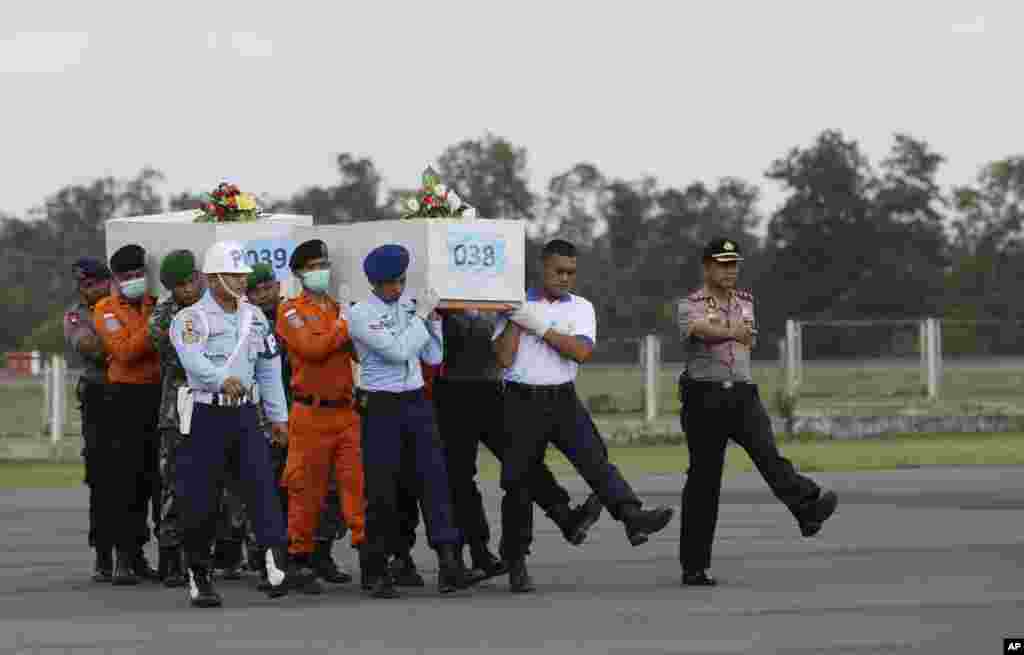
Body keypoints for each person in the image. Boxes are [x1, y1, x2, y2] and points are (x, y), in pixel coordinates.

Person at [493, 238, 674, 592]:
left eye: (571, 272)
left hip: (562, 397)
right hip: (520, 401)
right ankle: (516, 560)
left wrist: (540, 326)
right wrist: (517, 316)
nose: (564, 278)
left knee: (596, 462)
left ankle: (633, 517)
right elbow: (503, 358)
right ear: (542, 267)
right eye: (557, 271)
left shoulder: (581, 308)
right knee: (518, 484)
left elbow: (579, 351)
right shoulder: (513, 306)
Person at [676, 237, 838, 586]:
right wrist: (729, 330)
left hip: (743, 394)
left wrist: (734, 331)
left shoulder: (746, 301)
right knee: (704, 481)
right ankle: (694, 565)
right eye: (722, 264)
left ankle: (806, 509)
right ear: (706, 267)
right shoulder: (690, 304)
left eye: (734, 264)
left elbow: (748, 338)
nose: (730, 270)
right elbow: (697, 330)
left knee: (769, 456)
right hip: (704, 397)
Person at [168, 240, 308, 607]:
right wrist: (219, 378)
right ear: (213, 278)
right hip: (207, 413)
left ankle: (275, 562)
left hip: (246, 413)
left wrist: (279, 417)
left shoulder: (256, 317)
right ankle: (199, 574)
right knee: (202, 499)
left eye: (243, 274)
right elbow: (192, 360)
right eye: (233, 275)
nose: (242, 281)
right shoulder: (190, 319)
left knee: (262, 487)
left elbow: (269, 368)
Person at [433, 308, 604, 582]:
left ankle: (565, 517)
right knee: (459, 478)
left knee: (524, 463)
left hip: (492, 389)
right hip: (452, 391)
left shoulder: (499, 301)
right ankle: (478, 552)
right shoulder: (446, 304)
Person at [347, 244, 469, 598]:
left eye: (400, 281)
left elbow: (433, 355)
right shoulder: (360, 314)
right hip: (381, 404)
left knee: (434, 481)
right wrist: (421, 319)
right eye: (389, 284)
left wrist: (432, 322)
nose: (397, 289)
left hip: (415, 401)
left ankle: (449, 563)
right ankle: (375, 567)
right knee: (382, 490)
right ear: (374, 283)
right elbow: (398, 351)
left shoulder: (411, 306)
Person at [246, 262, 351, 588]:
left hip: (305, 412)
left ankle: (319, 554)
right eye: (256, 290)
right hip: (267, 416)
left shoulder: (292, 313)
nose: (263, 295)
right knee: (276, 490)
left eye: (268, 288)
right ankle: (274, 560)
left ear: (278, 286)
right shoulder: (248, 322)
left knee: (322, 488)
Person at [276, 240, 366, 594]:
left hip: (345, 412)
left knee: (355, 488)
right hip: (309, 412)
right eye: (313, 266)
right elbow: (312, 349)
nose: (321, 272)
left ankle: (369, 558)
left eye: (325, 264)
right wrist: (345, 322)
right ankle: (299, 559)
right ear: (299, 273)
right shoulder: (290, 311)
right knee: (305, 491)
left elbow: (359, 352)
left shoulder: (337, 308)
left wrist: (354, 322)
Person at [92, 244, 163, 586]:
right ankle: (124, 555)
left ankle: (146, 556)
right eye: (127, 276)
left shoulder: (156, 303)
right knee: (126, 480)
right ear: (116, 280)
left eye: (139, 274)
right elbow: (124, 351)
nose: (134, 281)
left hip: (158, 396)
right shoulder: (105, 309)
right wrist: (155, 326)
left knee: (156, 478)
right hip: (124, 399)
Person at [148, 249, 204, 588]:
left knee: (214, 483)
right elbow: (181, 354)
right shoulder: (163, 315)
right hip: (177, 409)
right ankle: (170, 556)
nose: (188, 290)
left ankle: (209, 554)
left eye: (191, 281)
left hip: (212, 406)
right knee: (174, 483)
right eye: (180, 286)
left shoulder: (213, 306)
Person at [63, 257, 112, 581]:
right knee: (102, 478)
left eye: (94, 282)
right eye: (84, 284)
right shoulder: (75, 314)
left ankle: (132, 554)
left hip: (133, 394)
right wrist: (123, 344)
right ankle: (104, 556)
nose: (88, 289)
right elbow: (88, 346)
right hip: (98, 396)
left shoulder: (126, 306)